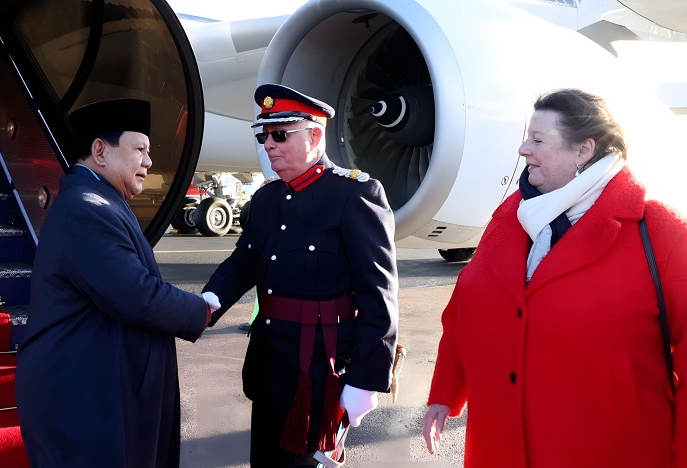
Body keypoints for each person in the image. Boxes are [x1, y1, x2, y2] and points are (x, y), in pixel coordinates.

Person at [422, 88, 687, 467]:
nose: (523, 149)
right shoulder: (509, 218)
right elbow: (464, 311)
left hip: (611, 450)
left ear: (583, 150)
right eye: (526, 137)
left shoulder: (656, 229)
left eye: (538, 140)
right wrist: (445, 392)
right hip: (502, 448)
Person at [202, 84, 399, 466]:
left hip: (319, 371)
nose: (269, 145)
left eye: (280, 134)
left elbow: (379, 295)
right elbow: (244, 261)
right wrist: (208, 301)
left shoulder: (355, 195)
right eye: (264, 136)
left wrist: (366, 379)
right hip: (270, 363)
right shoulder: (266, 199)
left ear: (315, 135)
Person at [15, 98, 212, 467]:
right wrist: (200, 310)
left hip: (91, 394)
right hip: (80, 403)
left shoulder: (97, 199)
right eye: (140, 149)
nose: (149, 162)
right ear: (100, 151)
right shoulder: (87, 208)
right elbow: (136, 295)